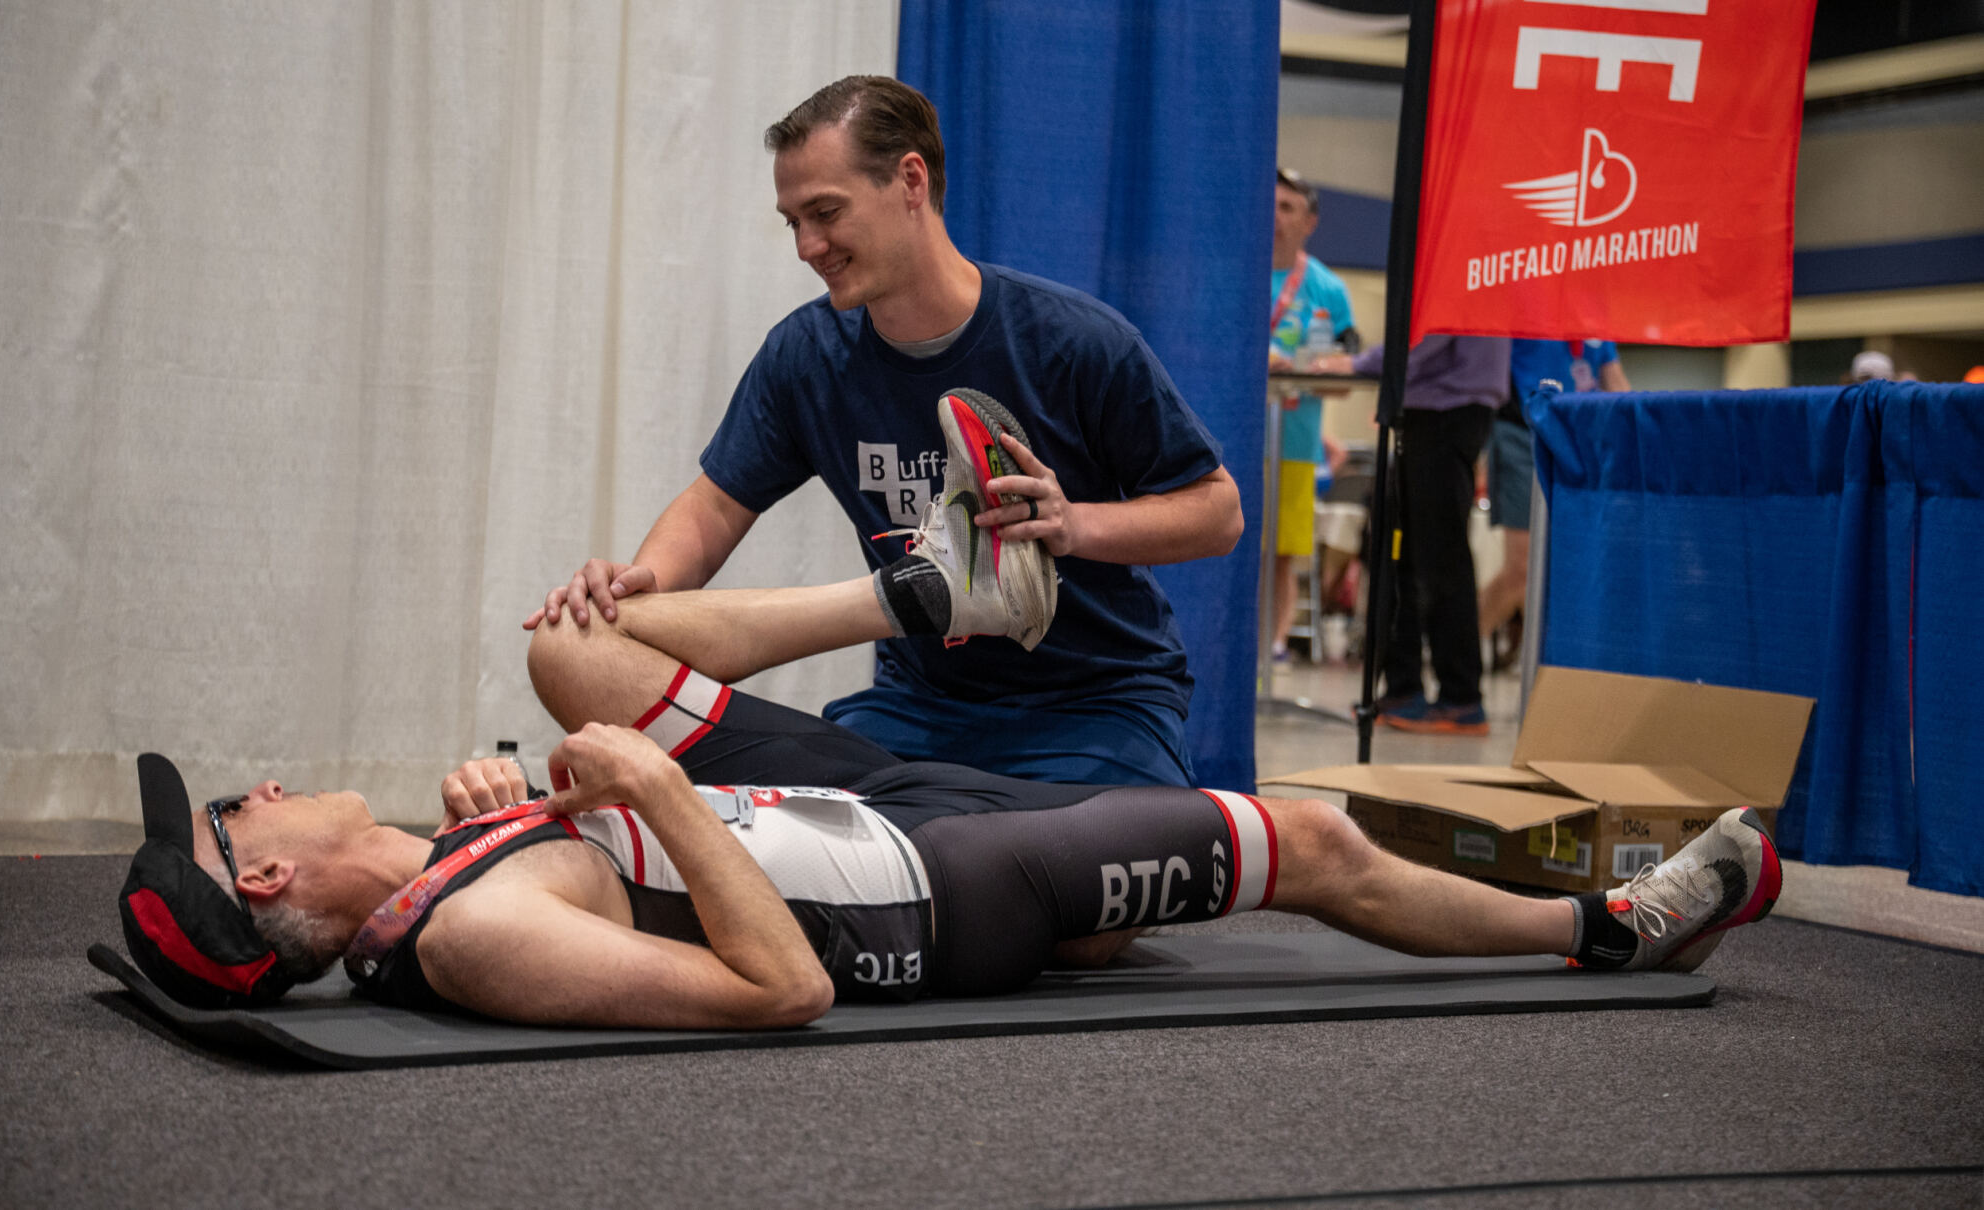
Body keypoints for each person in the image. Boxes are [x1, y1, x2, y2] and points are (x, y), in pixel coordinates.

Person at [118, 509, 1783, 1027]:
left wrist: (537, 790)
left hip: (861, 814)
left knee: (570, 652)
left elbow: (602, 856)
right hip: (928, 888)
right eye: (236, 805)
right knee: (1313, 832)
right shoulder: (470, 938)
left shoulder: (435, 893)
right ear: (261, 877)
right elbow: (777, 992)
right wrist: (648, 790)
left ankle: (926, 596)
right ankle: (1615, 924)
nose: (262, 780)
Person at [525, 77, 1241, 788]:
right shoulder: (807, 356)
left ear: (909, 180)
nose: (808, 245)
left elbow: (1217, 513)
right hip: (917, 713)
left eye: (826, 212)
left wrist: (1070, 525)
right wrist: (638, 597)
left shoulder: (1072, 341)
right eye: (792, 222)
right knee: (574, 648)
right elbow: (713, 507)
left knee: (1045, 863)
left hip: (1099, 706)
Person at [1310, 335, 1510, 735]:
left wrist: (1358, 364)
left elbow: (1427, 333)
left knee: (1438, 557)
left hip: (1445, 409)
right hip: (1433, 407)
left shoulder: (1453, 273)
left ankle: (1460, 697)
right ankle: (1406, 688)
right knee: (1397, 551)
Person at [1477, 339, 1631, 665]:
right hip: (1521, 433)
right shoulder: (1528, 300)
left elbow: (1614, 380)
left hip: (1580, 442)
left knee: (1570, 569)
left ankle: (1559, 666)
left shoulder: (1595, 315)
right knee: (1522, 568)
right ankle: (1464, 659)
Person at [1266, 170, 1359, 662]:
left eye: (1288, 208)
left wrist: (1294, 367)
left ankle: (1274, 647)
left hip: (1294, 444)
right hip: (1228, 440)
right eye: (1271, 204)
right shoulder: (1235, 270)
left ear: (1310, 222)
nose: (1275, 217)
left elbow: (1344, 375)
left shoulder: (1327, 290)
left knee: (1281, 554)